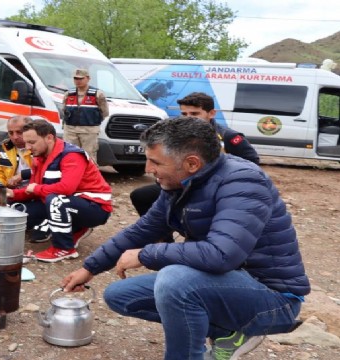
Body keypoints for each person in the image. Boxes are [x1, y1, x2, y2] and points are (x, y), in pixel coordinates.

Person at [62, 117, 310, 360]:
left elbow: (221, 255)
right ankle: (227, 333)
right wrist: (89, 268)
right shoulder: (180, 184)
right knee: (120, 295)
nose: (148, 169)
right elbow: (142, 230)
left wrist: (145, 254)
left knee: (175, 280)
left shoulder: (242, 181)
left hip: (273, 298)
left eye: (154, 161)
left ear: (192, 163)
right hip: (225, 284)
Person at [130, 91, 260, 220]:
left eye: (194, 114)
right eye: (184, 114)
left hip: (212, 190)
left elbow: (251, 161)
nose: (188, 118)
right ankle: (163, 237)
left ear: (211, 113)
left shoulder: (228, 136)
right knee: (140, 196)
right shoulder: (177, 135)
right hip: (182, 186)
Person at [8, 119, 112, 263]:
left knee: (56, 201)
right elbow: (33, 190)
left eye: (32, 142)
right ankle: (74, 228)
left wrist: (36, 188)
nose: (27, 147)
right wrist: (13, 194)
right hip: (66, 202)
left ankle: (64, 249)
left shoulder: (71, 155)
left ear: (49, 138)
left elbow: (66, 188)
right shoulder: (39, 156)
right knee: (15, 209)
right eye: (26, 142)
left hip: (95, 207)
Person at [63, 68, 109, 164]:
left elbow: (105, 112)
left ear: (88, 78)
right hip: (70, 130)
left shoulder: (97, 94)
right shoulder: (68, 94)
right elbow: (64, 110)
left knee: (89, 156)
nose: (78, 81)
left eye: (81, 78)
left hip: (89, 131)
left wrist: (92, 121)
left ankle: (90, 178)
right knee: (70, 155)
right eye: (76, 79)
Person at [0, 115, 33, 188]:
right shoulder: (2, 148)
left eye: (19, 132)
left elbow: (43, 170)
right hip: (12, 190)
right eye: (11, 133)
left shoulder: (38, 147)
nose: (15, 137)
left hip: (34, 189)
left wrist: (23, 174)